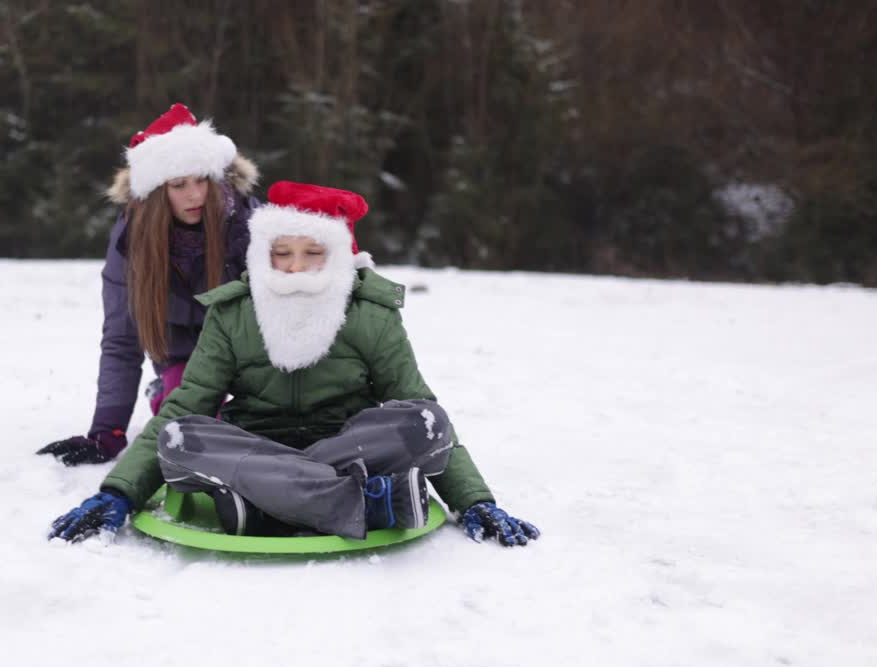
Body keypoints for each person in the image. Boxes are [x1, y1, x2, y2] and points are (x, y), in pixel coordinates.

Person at [46, 182, 539, 547]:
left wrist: (475, 500)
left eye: (312, 253)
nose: (296, 267)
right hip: (256, 443)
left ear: (340, 256)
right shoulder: (234, 311)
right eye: (282, 253)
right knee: (179, 438)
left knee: (427, 424)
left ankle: (263, 505)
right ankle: (366, 503)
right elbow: (183, 409)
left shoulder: (370, 312)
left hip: (350, 445)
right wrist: (118, 493)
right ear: (264, 253)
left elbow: (418, 405)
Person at [36, 103, 259, 466]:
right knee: (196, 427)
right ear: (157, 190)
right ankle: (166, 392)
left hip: (248, 354)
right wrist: (108, 431)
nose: (195, 195)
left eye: (202, 179)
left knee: (258, 427)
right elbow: (122, 340)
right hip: (183, 358)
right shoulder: (132, 241)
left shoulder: (247, 223)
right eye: (178, 185)